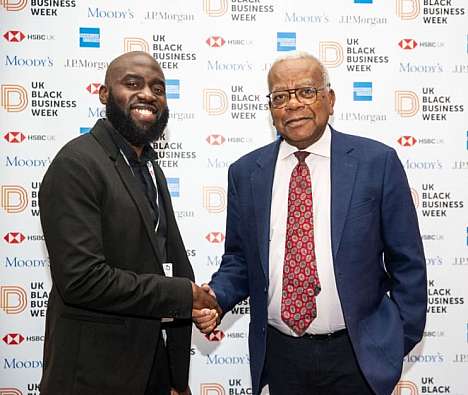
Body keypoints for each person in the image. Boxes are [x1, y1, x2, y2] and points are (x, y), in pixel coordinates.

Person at [193, 52, 427, 395]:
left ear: (329, 100)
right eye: (280, 96)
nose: (292, 104)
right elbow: (241, 260)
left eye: (306, 91)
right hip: (282, 356)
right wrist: (216, 297)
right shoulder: (246, 173)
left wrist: (390, 343)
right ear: (271, 109)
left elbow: (408, 263)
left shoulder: (376, 163)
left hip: (358, 357)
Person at [39, 51, 219, 395]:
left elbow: (159, 258)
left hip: (151, 368)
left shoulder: (150, 166)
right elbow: (82, 280)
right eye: (132, 84)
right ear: (105, 94)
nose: (148, 95)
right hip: (93, 376)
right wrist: (183, 295)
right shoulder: (76, 164)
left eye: (158, 88)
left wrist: (193, 308)